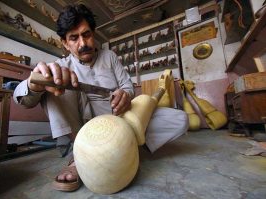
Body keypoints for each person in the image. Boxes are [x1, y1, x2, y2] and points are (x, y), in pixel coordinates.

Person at [13, 4, 188, 192]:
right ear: (65, 43)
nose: (83, 43)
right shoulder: (60, 66)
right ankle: (78, 157)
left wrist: (126, 95)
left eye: (86, 34)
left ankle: (124, 144)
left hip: (119, 121)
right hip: (81, 129)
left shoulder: (110, 57)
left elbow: (128, 86)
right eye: (74, 38)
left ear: (93, 33)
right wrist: (33, 83)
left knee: (179, 119)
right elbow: (23, 99)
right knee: (53, 82)